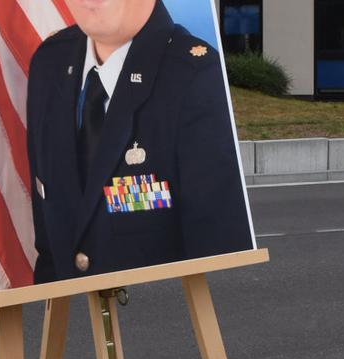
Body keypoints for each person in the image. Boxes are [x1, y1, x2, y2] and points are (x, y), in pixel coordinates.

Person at [26, 0, 253, 284]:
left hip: (157, 323)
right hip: (68, 324)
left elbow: (221, 269)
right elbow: (49, 252)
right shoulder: (48, 65)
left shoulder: (197, 79)